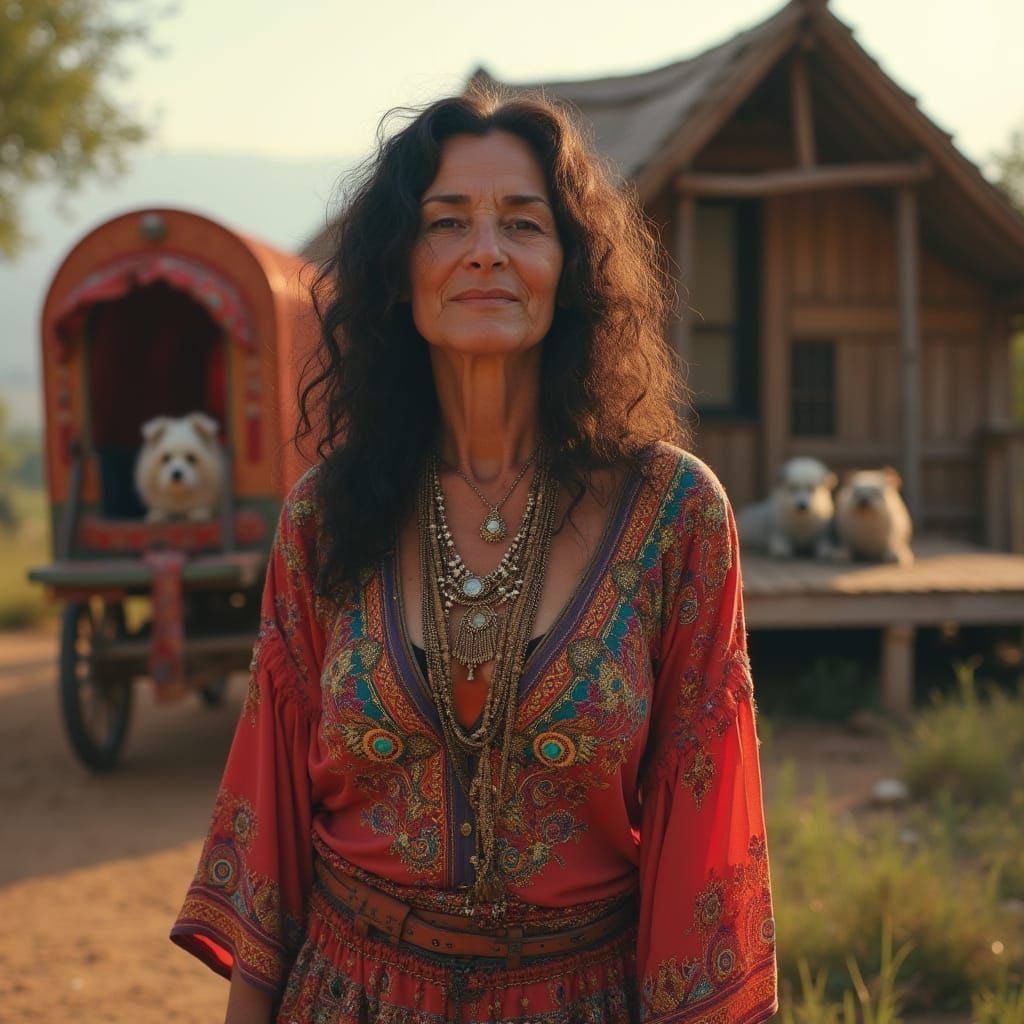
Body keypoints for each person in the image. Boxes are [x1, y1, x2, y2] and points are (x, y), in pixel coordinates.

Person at [171, 90, 777, 1024]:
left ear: (570, 270)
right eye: (446, 222)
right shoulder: (325, 517)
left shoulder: (674, 515)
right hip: (349, 995)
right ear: (398, 270)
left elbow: (705, 838)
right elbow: (270, 833)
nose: (485, 249)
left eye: (523, 223)